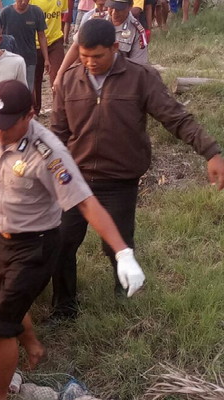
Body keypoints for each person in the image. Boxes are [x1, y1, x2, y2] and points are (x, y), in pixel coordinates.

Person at [0, 79, 146, 400]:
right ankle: (33, 344)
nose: (0, 132)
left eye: (8, 125)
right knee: (3, 299)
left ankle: (1, 394)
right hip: (1, 239)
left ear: (29, 115)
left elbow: (87, 203)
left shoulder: (50, 155)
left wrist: (123, 253)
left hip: (36, 245)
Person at [51, 19, 224, 319]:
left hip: (119, 180)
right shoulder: (68, 81)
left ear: (116, 48)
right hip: (75, 179)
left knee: (117, 244)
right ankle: (64, 308)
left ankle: (125, 297)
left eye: (98, 56)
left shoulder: (140, 78)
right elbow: (57, 134)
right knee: (62, 244)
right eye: (84, 55)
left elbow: (177, 118)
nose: (90, 63)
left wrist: (212, 153)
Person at [53, 0, 148, 89]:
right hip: (89, 79)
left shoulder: (137, 31)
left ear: (130, 7)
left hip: (119, 82)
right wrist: (60, 75)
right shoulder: (95, 19)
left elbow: (138, 68)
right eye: (111, 7)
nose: (114, 13)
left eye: (119, 9)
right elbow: (76, 47)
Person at [0, 0, 49, 91]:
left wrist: (46, 58)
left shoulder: (36, 12)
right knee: (9, 89)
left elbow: (41, 36)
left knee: (28, 89)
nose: (23, 2)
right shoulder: (5, 13)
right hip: (9, 59)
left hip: (29, 58)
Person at [29, 0, 67, 114]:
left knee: (58, 77)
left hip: (55, 42)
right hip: (35, 43)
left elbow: (62, 18)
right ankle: (35, 110)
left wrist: (61, 37)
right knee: (35, 79)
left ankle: (58, 109)